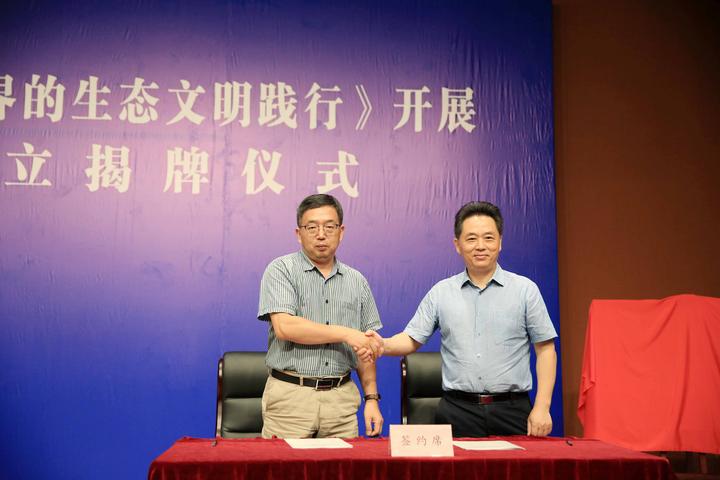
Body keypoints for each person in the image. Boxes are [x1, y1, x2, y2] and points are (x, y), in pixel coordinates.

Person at [364, 201, 557, 437]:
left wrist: (542, 407)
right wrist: (382, 345)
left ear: (500, 242)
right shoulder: (441, 292)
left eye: (488, 238)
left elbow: (546, 350)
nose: (480, 246)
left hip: (513, 410)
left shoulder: (525, 290)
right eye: (471, 238)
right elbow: (411, 339)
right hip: (457, 411)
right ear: (457, 245)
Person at [257, 193, 383, 439]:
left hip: (341, 402)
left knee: (343, 464)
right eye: (312, 227)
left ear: (341, 231)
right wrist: (347, 333)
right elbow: (285, 327)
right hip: (291, 399)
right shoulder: (281, 270)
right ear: (298, 233)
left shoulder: (357, 281)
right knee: (283, 463)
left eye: (329, 227)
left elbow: (365, 345)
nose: (321, 234)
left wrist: (371, 398)